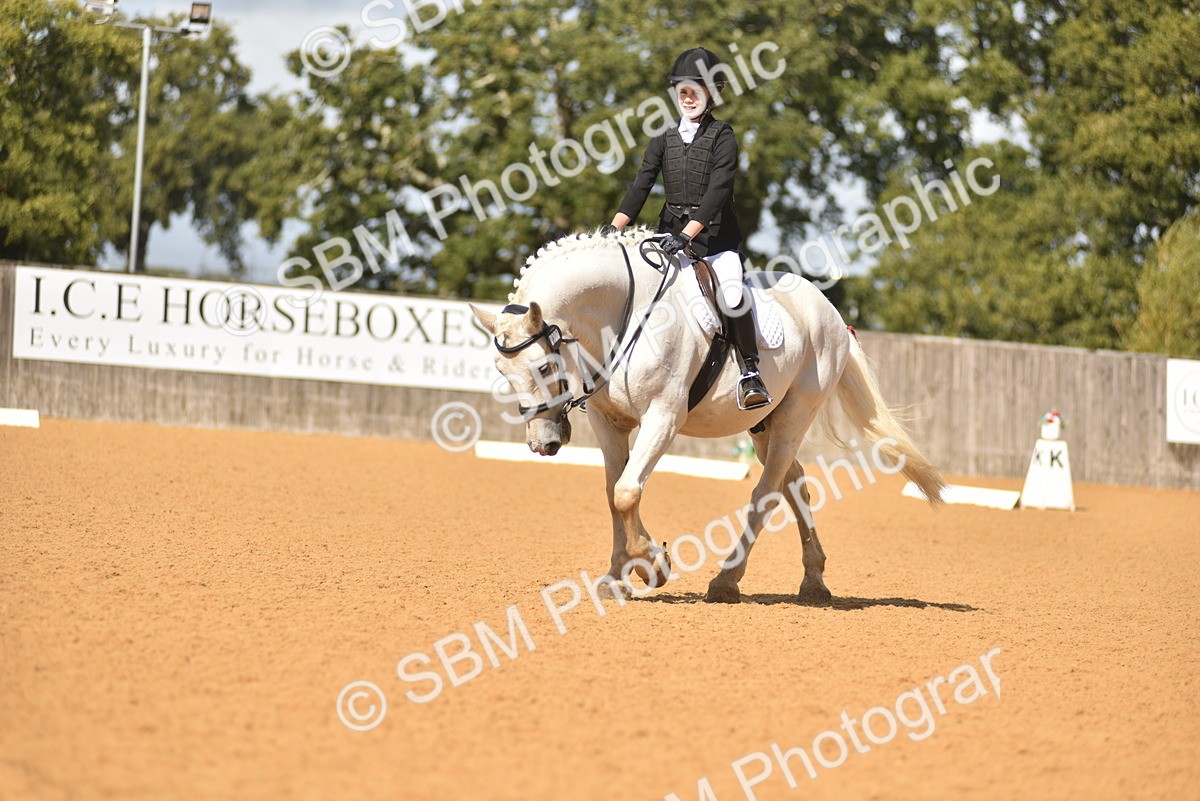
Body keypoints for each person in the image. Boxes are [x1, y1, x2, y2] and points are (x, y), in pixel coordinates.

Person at [604, 47, 771, 411]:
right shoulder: (662, 139)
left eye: (697, 89)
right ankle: (606, 373)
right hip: (668, 237)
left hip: (714, 241)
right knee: (632, 290)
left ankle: (750, 372)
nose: (689, 96)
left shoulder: (723, 136)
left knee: (730, 292)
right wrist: (609, 232)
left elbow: (719, 191)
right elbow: (640, 187)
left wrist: (688, 234)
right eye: (682, 90)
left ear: (712, 93)